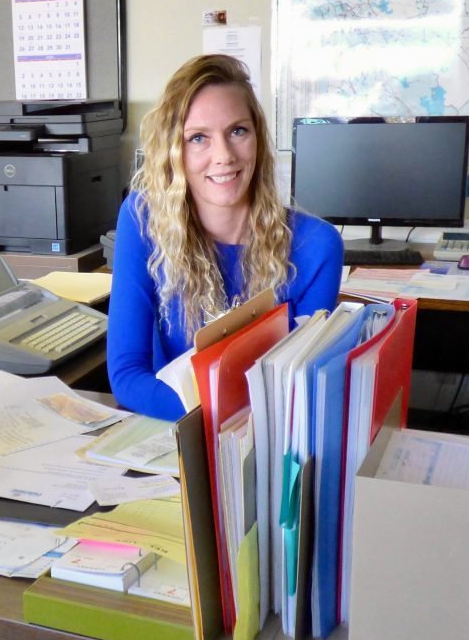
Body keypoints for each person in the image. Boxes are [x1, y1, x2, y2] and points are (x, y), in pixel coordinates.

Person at [107, 53, 344, 420]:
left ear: (258, 140)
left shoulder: (316, 246)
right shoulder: (143, 219)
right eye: (198, 137)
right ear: (175, 152)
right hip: (176, 437)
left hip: (264, 447)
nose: (224, 155)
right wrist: (216, 421)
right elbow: (126, 375)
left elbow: (299, 390)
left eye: (237, 131)